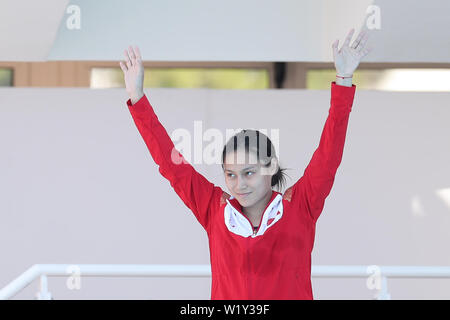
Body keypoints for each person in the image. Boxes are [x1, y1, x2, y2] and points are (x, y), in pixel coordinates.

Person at [119, 28, 372, 299]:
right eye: (230, 174)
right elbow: (171, 165)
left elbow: (328, 156)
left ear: (270, 167)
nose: (239, 184)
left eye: (249, 173)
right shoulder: (214, 210)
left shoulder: (301, 206)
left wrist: (343, 80)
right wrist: (137, 97)